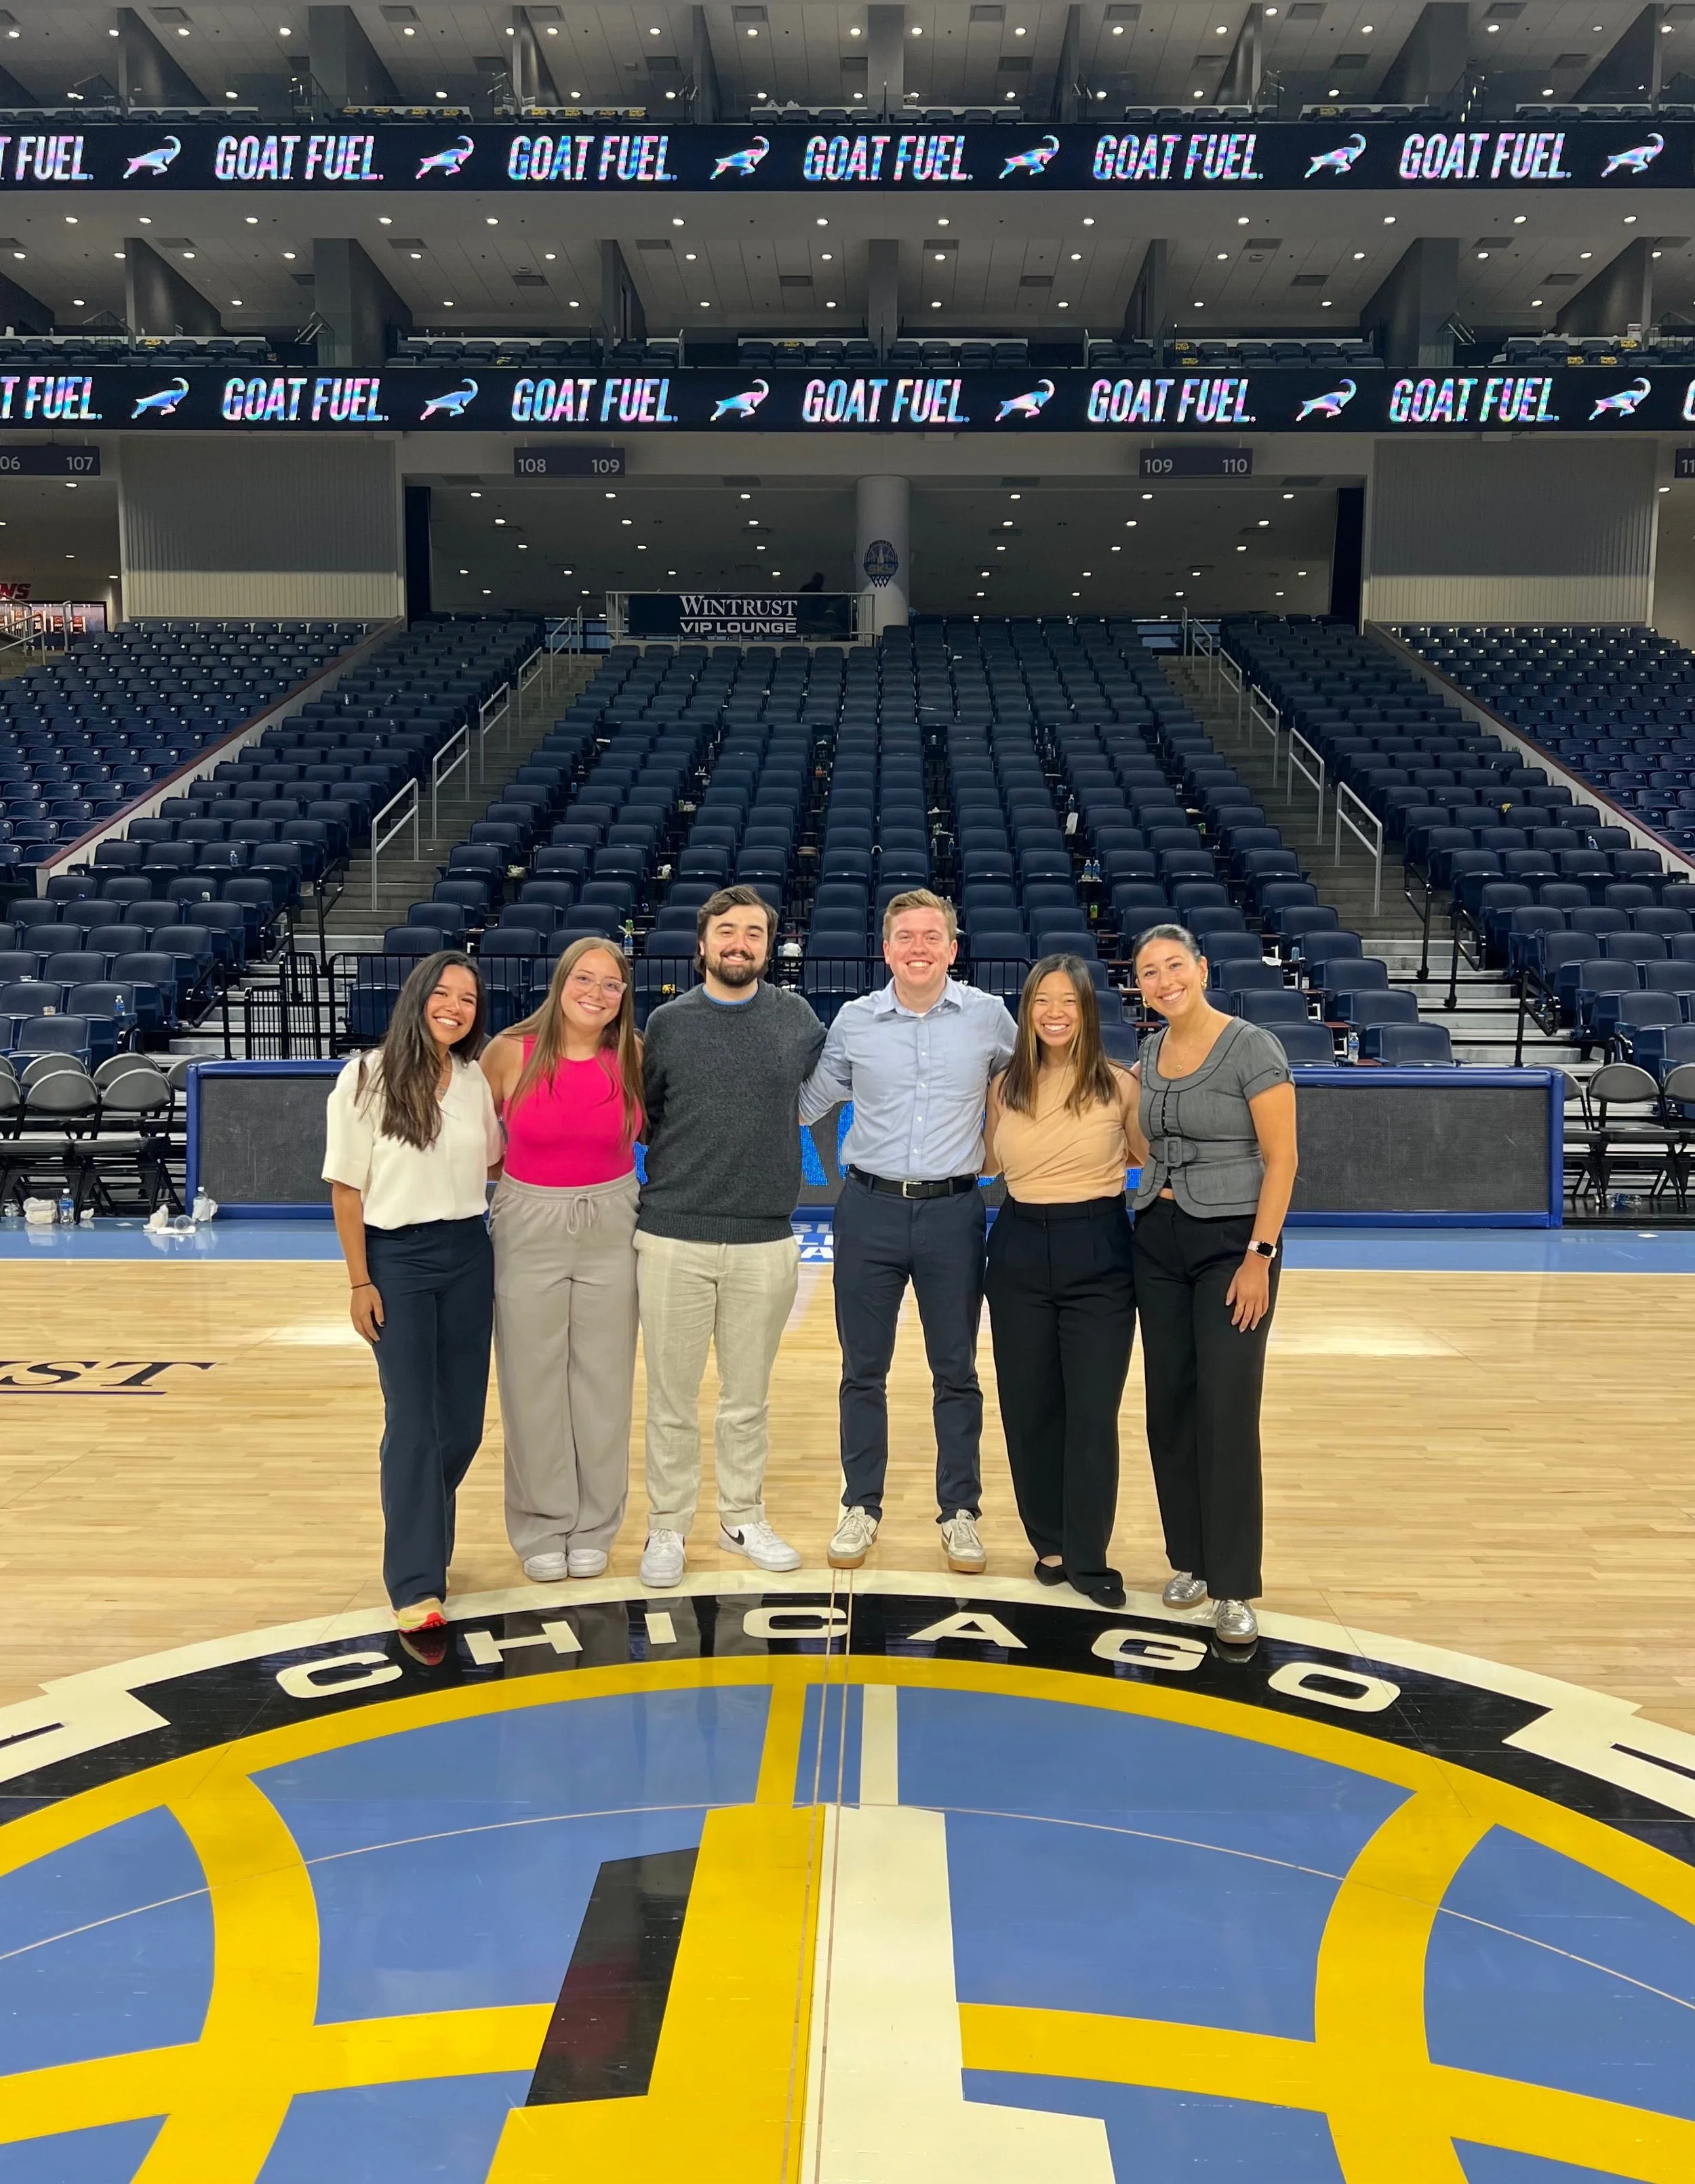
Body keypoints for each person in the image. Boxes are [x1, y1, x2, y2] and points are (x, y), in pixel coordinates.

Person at [801, 889, 1016, 1574]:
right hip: (867, 1208)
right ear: (886, 947)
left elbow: (1035, 1087)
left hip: (954, 1211)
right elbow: (809, 1097)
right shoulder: (854, 1020)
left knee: (955, 1369)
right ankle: (860, 1505)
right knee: (862, 1369)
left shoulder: (989, 1018)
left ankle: (960, 1513)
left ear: (953, 947)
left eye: (932, 935)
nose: (918, 947)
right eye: (905, 936)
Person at [635, 885, 826, 1588]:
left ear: (768, 947)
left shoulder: (797, 1019)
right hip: (672, 1235)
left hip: (764, 1241)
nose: (740, 943)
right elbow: (653, 1110)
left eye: (754, 932)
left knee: (747, 1397)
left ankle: (742, 1514)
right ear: (703, 943)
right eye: (727, 931)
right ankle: (667, 1527)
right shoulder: (668, 1023)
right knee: (671, 1399)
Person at [323, 950, 502, 1650]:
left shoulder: (471, 1079)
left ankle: (424, 1531)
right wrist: (359, 1280)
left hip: (468, 1251)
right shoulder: (364, 1076)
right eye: (444, 993)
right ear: (418, 996)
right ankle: (416, 1582)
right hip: (395, 1258)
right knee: (412, 1419)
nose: (455, 1006)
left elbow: (492, 1160)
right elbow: (346, 1188)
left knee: (462, 1426)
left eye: (468, 998)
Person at [1130, 924, 1298, 1646]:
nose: (1163, 979)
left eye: (1174, 965)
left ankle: (1232, 1583)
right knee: (1169, 1404)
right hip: (1158, 1239)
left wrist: (1258, 1255)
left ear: (1200, 968)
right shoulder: (1149, 1048)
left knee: (1226, 1408)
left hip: (1233, 1245)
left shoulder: (1251, 1045)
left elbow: (1283, 1157)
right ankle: (1190, 1559)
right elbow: (1145, 1141)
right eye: (1148, 972)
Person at [481, 938, 643, 1586]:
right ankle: (543, 1523)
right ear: (561, 980)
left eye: (612, 984)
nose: (597, 993)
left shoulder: (632, 1055)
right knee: (530, 1379)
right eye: (586, 978)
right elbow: (478, 1144)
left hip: (612, 1219)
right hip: (528, 1218)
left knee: (604, 1382)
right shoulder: (507, 1053)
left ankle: (596, 1524)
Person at [983, 955, 1138, 1608]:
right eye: (1043, 1000)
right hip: (1018, 1247)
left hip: (1099, 1246)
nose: (1054, 1012)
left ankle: (1089, 1552)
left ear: (1087, 1011)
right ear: (1027, 1010)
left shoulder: (1120, 1086)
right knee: (1029, 1405)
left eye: (1068, 1001)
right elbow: (987, 1162)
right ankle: (1048, 1540)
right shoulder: (1003, 1088)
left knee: (1093, 1411)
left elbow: (1148, 1159)